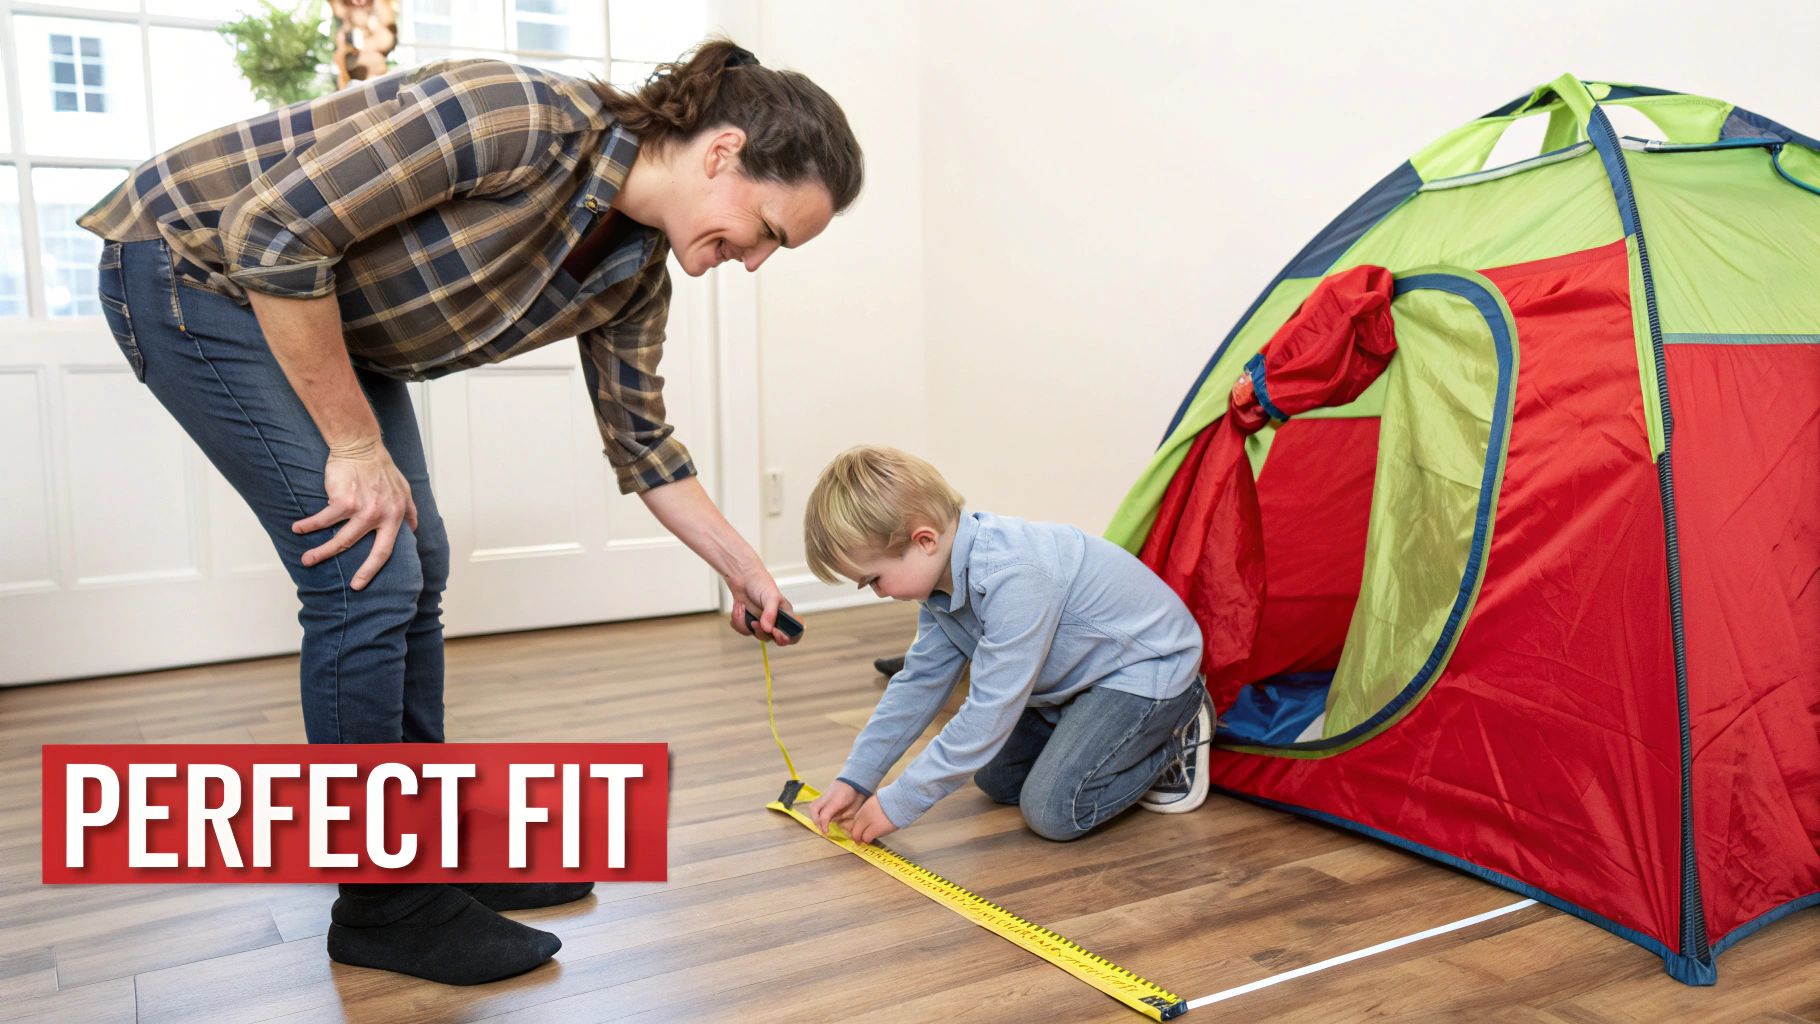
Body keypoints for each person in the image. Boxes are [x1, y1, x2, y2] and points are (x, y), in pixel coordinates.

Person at [79, 39, 861, 985]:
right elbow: (273, 233)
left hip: (318, 310)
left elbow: (644, 447)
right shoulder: (518, 117)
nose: (757, 262)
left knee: (420, 564)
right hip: (195, 273)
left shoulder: (632, 275)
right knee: (365, 572)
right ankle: (385, 905)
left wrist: (746, 569)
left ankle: (426, 847)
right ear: (723, 151)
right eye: (771, 231)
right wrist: (356, 448)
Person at [800, 446, 1213, 846]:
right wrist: (857, 777)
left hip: (1145, 667)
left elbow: (990, 710)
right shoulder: (939, 590)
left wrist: (901, 801)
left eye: (874, 579)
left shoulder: (1015, 575)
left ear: (924, 540)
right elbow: (917, 685)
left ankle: (1176, 735)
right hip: (1075, 680)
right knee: (997, 779)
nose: (876, 593)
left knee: (1053, 811)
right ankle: (1086, 728)